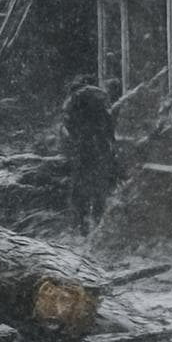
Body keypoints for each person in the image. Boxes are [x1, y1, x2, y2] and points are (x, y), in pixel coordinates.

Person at [61, 76, 117, 233]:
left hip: (84, 148)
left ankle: (80, 225)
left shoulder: (73, 102)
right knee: (100, 186)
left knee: (79, 187)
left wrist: (75, 141)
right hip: (101, 148)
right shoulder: (99, 102)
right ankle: (98, 222)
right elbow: (109, 126)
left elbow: (69, 126)